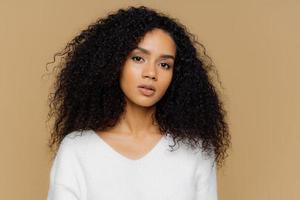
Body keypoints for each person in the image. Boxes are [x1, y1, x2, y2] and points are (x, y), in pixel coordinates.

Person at [45, 5, 231, 200]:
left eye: (164, 65)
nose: (151, 73)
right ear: (114, 62)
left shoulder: (196, 151)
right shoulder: (77, 149)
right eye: (138, 58)